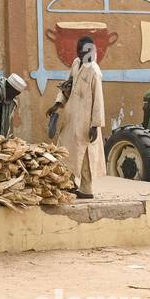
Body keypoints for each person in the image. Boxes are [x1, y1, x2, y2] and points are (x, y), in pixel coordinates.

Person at [49, 36, 106, 199]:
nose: (81, 54)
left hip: (86, 120)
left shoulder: (94, 71)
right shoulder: (75, 63)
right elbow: (68, 85)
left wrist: (95, 125)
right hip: (71, 116)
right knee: (67, 151)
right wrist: (57, 103)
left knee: (85, 154)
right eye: (79, 51)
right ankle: (70, 184)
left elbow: (99, 100)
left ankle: (86, 190)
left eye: (85, 51)